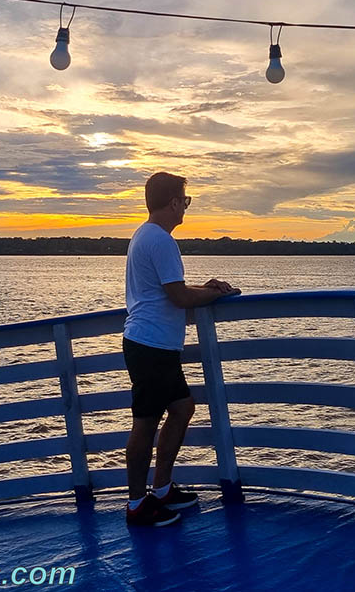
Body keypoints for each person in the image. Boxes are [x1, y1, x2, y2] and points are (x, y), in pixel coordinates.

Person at [122, 172, 240, 527]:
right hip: (150, 344)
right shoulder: (160, 241)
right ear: (173, 202)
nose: (185, 208)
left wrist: (203, 288)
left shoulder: (146, 236)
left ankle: (161, 489)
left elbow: (171, 289)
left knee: (183, 408)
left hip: (153, 343)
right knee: (145, 425)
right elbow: (178, 297)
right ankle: (136, 504)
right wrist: (216, 293)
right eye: (185, 201)